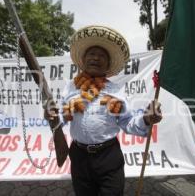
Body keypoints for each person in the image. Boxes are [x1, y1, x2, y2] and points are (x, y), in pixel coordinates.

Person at [45, 25, 162, 196]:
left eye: (101, 56)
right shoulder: (70, 87)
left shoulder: (115, 91)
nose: (96, 58)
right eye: (92, 54)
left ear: (107, 65)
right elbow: (62, 116)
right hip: (79, 156)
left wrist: (146, 119)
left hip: (108, 157)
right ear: (83, 60)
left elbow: (127, 122)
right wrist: (51, 116)